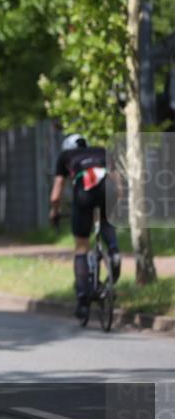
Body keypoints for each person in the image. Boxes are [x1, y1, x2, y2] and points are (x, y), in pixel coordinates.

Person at [49, 133, 121, 321]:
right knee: (105, 220)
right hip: (107, 189)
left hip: (83, 194)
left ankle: (82, 301)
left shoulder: (65, 157)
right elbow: (118, 182)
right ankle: (114, 250)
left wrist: (54, 213)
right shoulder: (101, 151)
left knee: (81, 247)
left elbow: (56, 195)